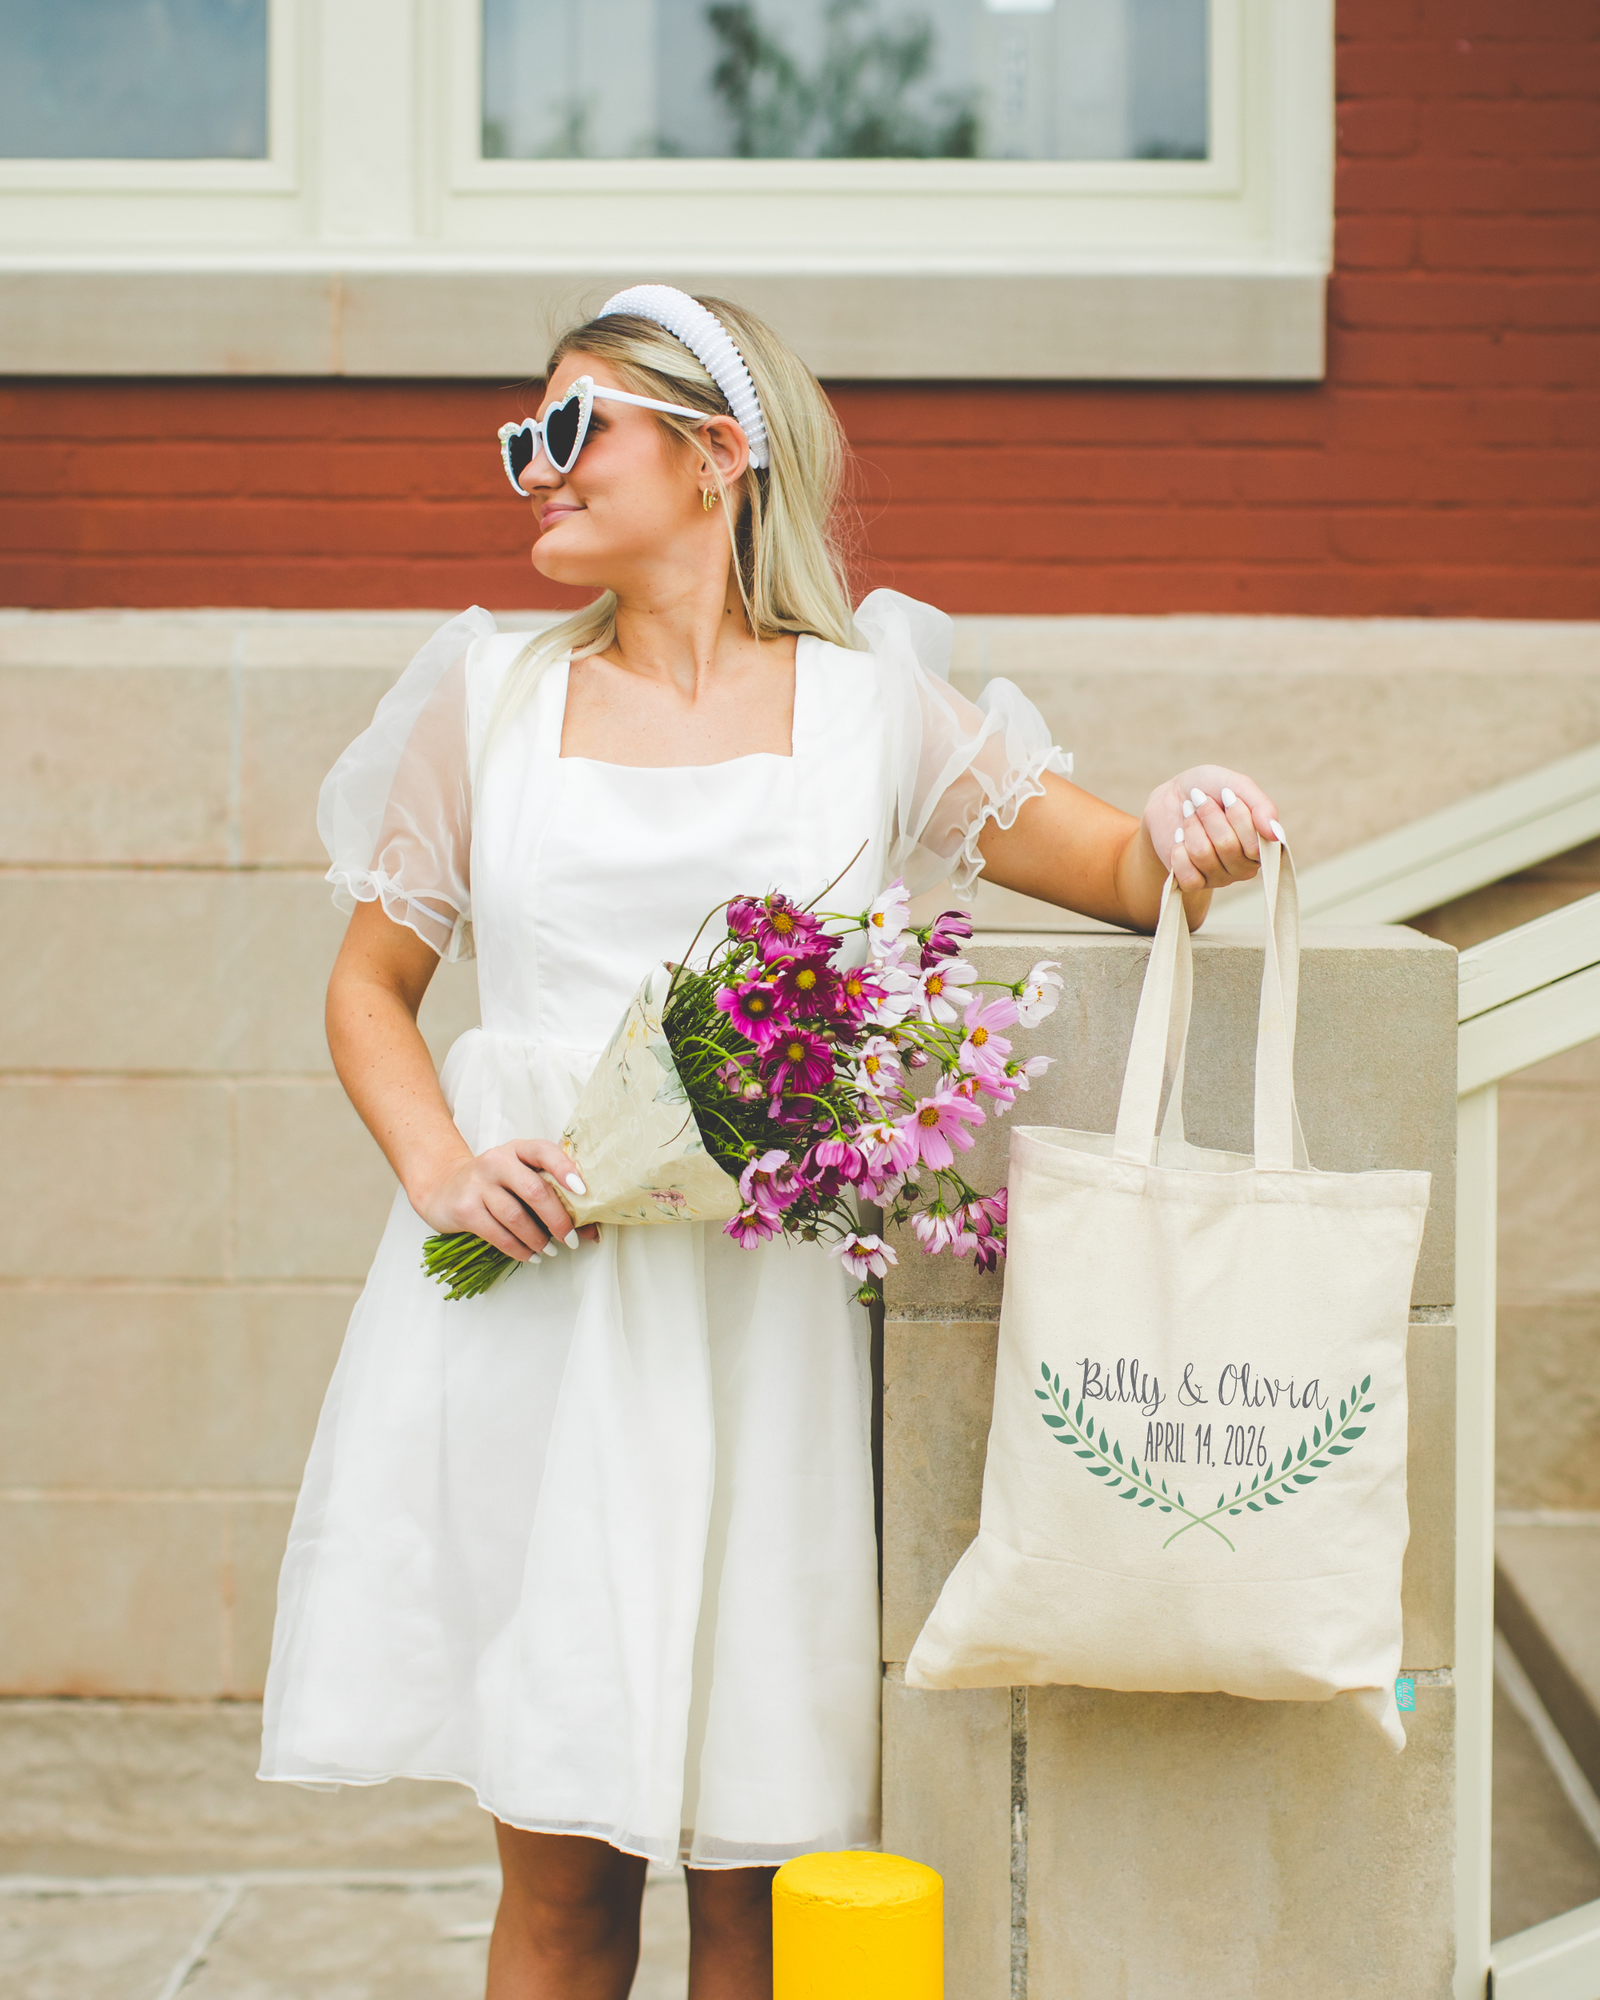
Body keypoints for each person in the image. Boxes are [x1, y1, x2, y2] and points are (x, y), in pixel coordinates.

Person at [257, 285, 1278, 2000]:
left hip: (774, 1333)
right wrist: (441, 1163)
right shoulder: (487, 697)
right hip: (542, 1325)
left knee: (764, 1884)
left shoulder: (867, 707)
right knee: (566, 1882)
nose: (532, 470)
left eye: (570, 428)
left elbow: (1110, 866)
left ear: (719, 454)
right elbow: (371, 988)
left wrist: (1184, 823)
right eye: (521, 439)